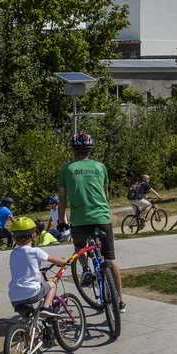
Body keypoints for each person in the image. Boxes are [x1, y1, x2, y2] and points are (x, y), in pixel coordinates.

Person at [57, 133, 126, 313]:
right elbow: (106, 195)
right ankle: (120, 300)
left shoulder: (66, 169)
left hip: (80, 219)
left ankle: (86, 269)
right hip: (102, 218)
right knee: (110, 258)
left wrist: (61, 222)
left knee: (80, 248)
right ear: (90, 150)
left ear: (73, 150)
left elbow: (62, 200)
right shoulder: (100, 167)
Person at [6, 217, 68, 320]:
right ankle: (46, 308)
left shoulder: (13, 253)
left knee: (27, 319)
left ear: (13, 238)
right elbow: (55, 260)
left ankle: (25, 333)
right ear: (34, 235)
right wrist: (64, 261)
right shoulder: (35, 251)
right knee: (52, 285)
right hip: (32, 292)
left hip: (14, 296)